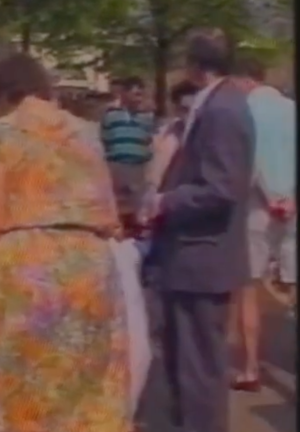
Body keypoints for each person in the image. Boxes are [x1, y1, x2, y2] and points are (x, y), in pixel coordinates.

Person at [0, 53, 129, 432]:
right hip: (90, 263)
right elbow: (110, 213)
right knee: (83, 380)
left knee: (25, 378)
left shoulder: (4, 132)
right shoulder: (86, 131)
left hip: (29, 263)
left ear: (0, 93)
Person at [142, 29, 255, 432]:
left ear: (194, 66)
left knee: (199, 372)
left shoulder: (223, 110)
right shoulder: (216, 104)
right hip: (192, 256)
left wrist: (165, 201)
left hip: (202, 258)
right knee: (184, 366)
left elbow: (222, 187)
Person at [230, 56, 296, 391]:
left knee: (248, 286)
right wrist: (290, 197)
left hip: (257, 207)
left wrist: (270, 197)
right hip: (294, 208)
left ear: (245, 81)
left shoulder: (244, 112)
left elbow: (249, 163)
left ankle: (250, 368)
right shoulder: (292, 109)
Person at [100, 76, 155, 230]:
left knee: (138, 206)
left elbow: (149, 140)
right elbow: (105, 137)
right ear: (124, 94)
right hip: (116, 165)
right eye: (135, 94)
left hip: (139, 167)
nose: (139, 98)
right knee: (116, 204)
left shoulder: (147, 117)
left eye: (141, 94)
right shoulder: (111, 114)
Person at [146, 80, 199, 203]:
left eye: (194, 110)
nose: (190, 115)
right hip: (168, 199)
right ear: (177, 110)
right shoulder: (168, 134)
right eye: (185, 110)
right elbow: (156, 167)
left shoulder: (208, 134)